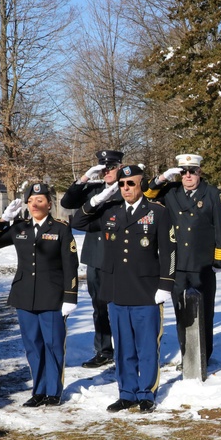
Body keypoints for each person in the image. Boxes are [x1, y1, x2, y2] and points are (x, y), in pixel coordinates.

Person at [71, 164, 175, 413]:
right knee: (123, 347)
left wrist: (166, 285)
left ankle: (146, 393)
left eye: (131, 183)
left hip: (146, 290)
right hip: (117, 290)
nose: (126, 188)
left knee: (147, 347)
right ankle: (126, 393)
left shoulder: (157, 212)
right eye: (122, 184)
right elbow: (78, 221)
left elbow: (170, 251)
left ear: (141, 185)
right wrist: (98, 198)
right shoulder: (110, 212)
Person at [0, 182, 78, 407]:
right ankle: (39, 390)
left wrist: (70, 296)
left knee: (53, 344)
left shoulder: (61, 229)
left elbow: (70, 265)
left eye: (40, 200)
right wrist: (4, 220)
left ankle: (53, 391)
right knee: (33, 345)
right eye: (31, 201)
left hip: (52, 296)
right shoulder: (19, 228)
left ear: (49, 204)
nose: (35, 204)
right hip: (24, 295)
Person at [144, 153, 221, 365]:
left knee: (205, 312)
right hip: (178, 264)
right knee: (182, 312)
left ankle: (204, 355)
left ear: (200, 172)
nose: (188, 175)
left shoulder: (211, 193)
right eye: (184, 172)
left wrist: (220, 260)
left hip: (202, 264)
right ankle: (187, 355)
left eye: (193, 171)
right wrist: (163, 177)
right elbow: (147, 195)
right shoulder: (171, 192)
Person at [62, 149, 123, 369]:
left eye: (112, 167)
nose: (107, 172)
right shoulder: (94, 189)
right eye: (103, 168)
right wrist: (86, 176)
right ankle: (104, 350)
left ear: (120, 167)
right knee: (99, 306)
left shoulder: (128, 189)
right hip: (96, 256)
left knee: (122, 306)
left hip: (120, 256)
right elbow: (67, 202)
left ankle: (125, 350)